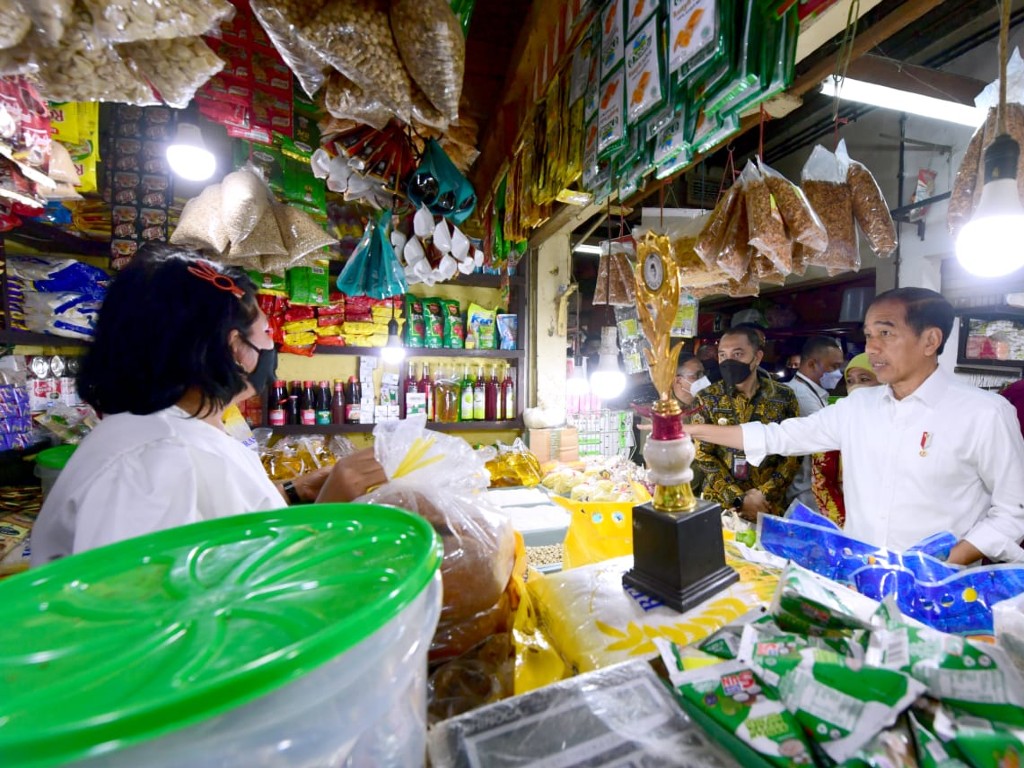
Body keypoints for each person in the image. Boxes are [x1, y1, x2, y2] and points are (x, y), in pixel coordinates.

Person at [32, 245, 387, 563]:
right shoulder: (160, 461)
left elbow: (220, 529)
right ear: (235, 348)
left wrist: (296, 491)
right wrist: (330, 512)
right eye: (266, 333)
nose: (273, 346)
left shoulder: (166, 434)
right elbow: (171, 616)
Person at [687, 287, 1024, 565]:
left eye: (886, 333)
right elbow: (780, 436)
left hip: (941, 593)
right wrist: (691, 429)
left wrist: (947, 561)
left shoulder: (984, 414)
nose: (871, 348)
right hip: (861, 579)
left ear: (930, 340)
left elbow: (1013, 512)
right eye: (868, 335)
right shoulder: (859, 407)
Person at [690, 326, 801, 520]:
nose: (728, 361)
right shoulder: (707, 398)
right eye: (722, 355)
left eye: (738, 354)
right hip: (721, 505)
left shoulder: (783, 396)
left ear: (757, 357)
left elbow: (793, 452)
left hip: (766, 505)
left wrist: (763, 494)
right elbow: (703, 455)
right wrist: (737, 498)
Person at [811, 353, 881, 526]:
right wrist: (843, 524)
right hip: (847, 520)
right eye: (850, 381)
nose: (856, 387)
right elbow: (822, 481)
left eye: (865, 379)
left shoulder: (900, 424)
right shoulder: (838, 422)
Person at [784, 336, 845, 511]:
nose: (838, 374)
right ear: (811, 364)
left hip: (810, 486)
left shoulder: (814, 393)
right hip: (803, 488)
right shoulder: (801, 396)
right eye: (833, 367)